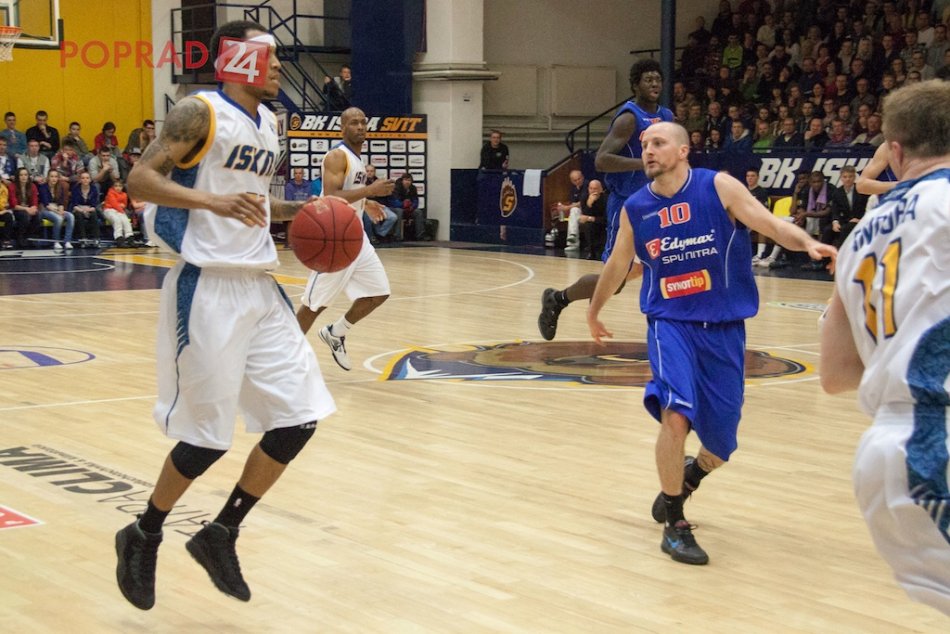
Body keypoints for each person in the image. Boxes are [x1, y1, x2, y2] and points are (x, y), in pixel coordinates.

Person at [113, 21, 337, 611]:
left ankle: (221, 531)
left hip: (259, 286)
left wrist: (306, 210)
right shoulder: (199, 111)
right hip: (207, 287)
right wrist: (212, 201)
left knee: (299, 419)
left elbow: (253, 204)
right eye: (268, 55)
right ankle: (144, 532)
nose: (279, 65)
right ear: (237, 59)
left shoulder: (268, 124)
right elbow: (140, 180)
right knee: (206, 439)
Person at [587, 122, 836, 565]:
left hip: (723, 328)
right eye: (644, 145)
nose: (648, 150)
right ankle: (675, 524)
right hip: (670, 323)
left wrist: (808, 243)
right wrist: (593, 308)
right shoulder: (636, 208)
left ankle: (690, 477)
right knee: (676, 413)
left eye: (658, 143)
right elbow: (619, 264)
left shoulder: (718, 186)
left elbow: (771, 225)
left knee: (720, 446)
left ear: (684, 150)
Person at [819, 79, 950, 615]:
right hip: (938, 440)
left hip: (884, 459)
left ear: (894, 152)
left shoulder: (860, 235)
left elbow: (835, 374)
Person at [537, 59, 672, 341]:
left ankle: (672, 327)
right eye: (648, 79)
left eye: (657, 79)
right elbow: (602, 160)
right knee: (615, 282)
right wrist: (644, 163)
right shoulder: (629, 118)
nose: (654, 84)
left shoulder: (667, 116)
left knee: (667, 261)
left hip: (655, 204)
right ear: (635, 85)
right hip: (626, 206)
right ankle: (557, 299)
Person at [295, 106, 395, 371]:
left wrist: (366, 201)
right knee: (313, 306)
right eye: (353, 123)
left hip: (356, 238)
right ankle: (282, 357)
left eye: (363, 122)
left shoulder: (357, 159)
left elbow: (349, 193)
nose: (360, 127)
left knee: (378, 293)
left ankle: (336, 332)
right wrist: (370, 190)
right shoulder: (337, 156)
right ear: (342, 128)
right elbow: (331, 196)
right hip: (335, 240)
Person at [547, 169, 588, 251]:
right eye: (575, 180)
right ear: (572, 181)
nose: (578, 181)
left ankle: (573, 240)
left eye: (579, 179)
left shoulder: (587, 185)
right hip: (577, 213)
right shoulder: (573, 189)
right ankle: (572, 239)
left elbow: (583, 202)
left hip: (588, 210)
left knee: (574, 210)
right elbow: (573, 203)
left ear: (583, 177)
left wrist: (567, 207)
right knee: (574, 211)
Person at [38, 168, 74, 250]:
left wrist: (61, 210)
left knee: (71, 216)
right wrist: (58, 212)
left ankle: (67, 241)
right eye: (52, 176)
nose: (54, 179)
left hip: (56, 209)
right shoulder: (43, 187)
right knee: (59, 218)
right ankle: (56, 241)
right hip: (45, 210)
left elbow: (61, 202)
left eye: (55, 176)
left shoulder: (59, 187)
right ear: (48, 177)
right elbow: (46, 204)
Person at [362, 164, 399, 242]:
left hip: (380, 205)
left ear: (374, 172)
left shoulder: (380, 182)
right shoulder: (361, 183)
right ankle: (372, 237)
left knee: (393, 217)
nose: (369, 173)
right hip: (367, 206)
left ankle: (380, 234)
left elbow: (386, 195)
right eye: (367, 171)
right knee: (371, 219)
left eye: (371, 171)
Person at [102, 179, 136, 247]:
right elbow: (114, 204)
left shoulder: (124, 194)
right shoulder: (110, 193)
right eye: (116, 186)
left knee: (126, 221)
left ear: (122, 187)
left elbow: (124, 205)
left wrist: (121, 207)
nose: (118, 188)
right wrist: (120, 206)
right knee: (117, 220)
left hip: (119, 210)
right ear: (113, 187)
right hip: (109, 210)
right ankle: (119, 239)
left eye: (120, 186)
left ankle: (130, 238)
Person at [392, 172, 424, 241]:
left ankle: (420, 235)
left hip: (409, 208)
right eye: (405, 180)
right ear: (402, 180)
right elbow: (394, 202)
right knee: (399, 211)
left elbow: (415, 200)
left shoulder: (413, 188)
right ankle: (397, 236)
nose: (407, 182)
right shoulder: (396, 188)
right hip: (398, 208)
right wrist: (403, 204)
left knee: (418, 212)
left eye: (409, 180)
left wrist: (412, 206)